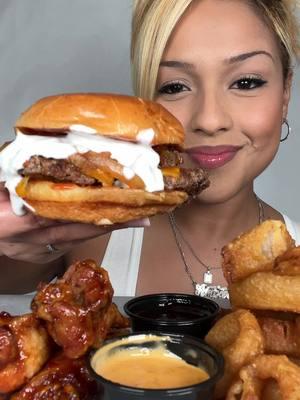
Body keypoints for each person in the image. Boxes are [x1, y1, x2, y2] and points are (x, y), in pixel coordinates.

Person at [0, 0, 299, 297]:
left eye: (246, 82)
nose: (210, 120)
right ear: (147, 101)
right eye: (174, 87)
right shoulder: (81, 231)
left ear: (285, 93)